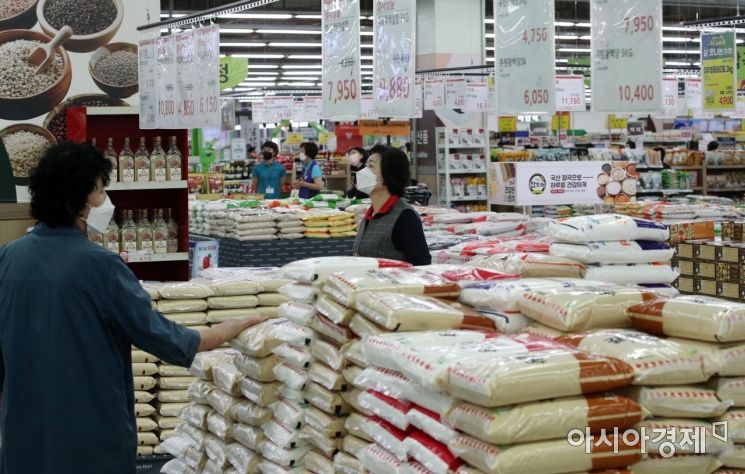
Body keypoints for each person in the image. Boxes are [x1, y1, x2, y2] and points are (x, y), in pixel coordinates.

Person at [0, 142, 265, 474]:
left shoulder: (8, 258)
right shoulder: (101, 266)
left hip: (22, 434)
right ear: (77, 202)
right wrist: (226, 330)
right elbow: (164, 338)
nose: (105, 201)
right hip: (87, 439)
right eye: (99, 191)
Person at [352, 146, 431, 266]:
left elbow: (421, 264)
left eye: (371, 166)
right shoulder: (370, 214)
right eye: (365, 165)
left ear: (388, 176)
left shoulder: (405, 216)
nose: (363, 171)